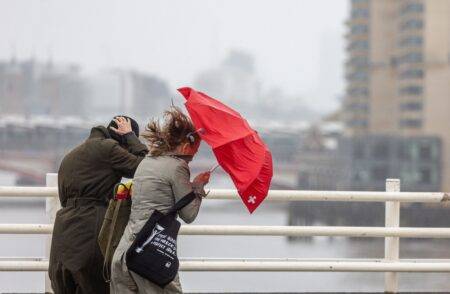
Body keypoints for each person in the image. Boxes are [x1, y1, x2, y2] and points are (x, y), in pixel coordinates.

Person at [110, 107, 210, 294]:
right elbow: (188, 215)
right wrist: (197, 186)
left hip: (123, 253)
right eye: (195, 151)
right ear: (187, 146)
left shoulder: (147, 160)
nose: (192, 157)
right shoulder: (178, 166)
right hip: (151, 254)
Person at [49, 116, 148, 294]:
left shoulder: (70, 156)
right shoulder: (107, 148)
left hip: (63, 233)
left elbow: (63, 198)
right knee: (96, 284)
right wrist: (131, 136)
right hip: (92, 228)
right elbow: (146, 168)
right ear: (121, 137)